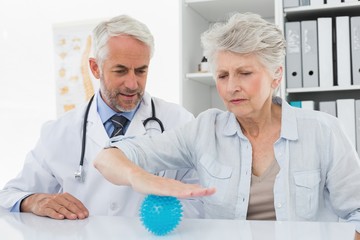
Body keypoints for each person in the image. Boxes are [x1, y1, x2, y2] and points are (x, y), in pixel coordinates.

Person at [93, 12, 360, 237]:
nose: (232, 87)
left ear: (276, 75)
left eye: (245, 73)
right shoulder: (205, 130)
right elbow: (108, 158)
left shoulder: (323, 131)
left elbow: (357, 213)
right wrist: (140, 177)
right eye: (222, 75)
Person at [0, 14, 203, 220]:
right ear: (95, 68)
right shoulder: (60, 131)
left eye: (141, 71)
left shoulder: (179, 122)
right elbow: (9, 196)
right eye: (120, 71)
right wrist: (34, 201)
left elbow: (202, 202)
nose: (132, 84)